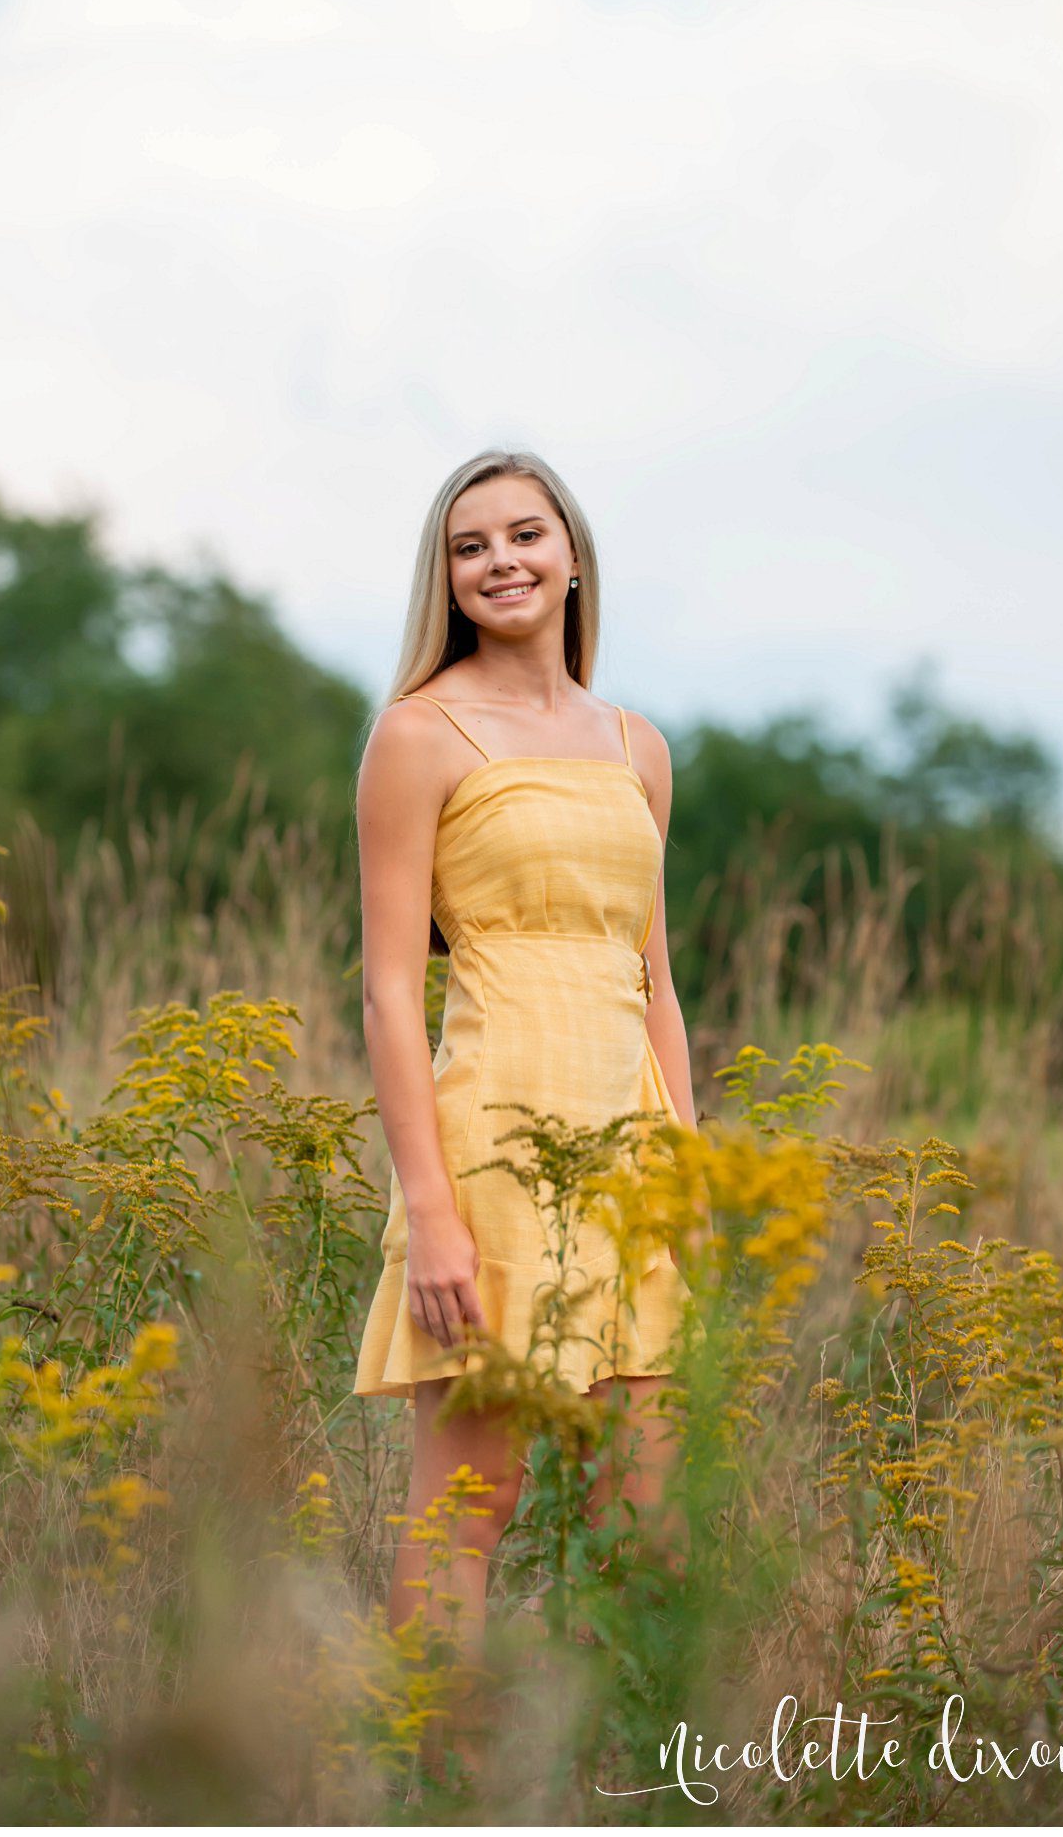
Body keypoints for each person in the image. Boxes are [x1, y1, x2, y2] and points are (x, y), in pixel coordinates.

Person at [353, 448, 702, 1673]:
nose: (499, 561)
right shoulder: (417, 733)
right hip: (494, 1146)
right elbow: (393, 990)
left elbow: (654, 978)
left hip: (633, 1146)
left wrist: (689, 1173)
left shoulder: (636, 746)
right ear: (445, 580)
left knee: (644, 1514)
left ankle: (613, 1773)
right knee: (470, 1506)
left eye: (521, 535)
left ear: (569, 557)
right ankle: (430, 1775)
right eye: (468, 546)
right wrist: (431, 1212)